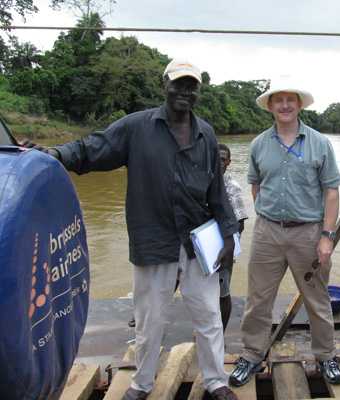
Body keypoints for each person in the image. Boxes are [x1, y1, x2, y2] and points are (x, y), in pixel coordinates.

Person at [22, 60, 240, 400]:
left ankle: (215, 381)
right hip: (155, 241)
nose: (184, 91)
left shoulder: (206, 133)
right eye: (178, 84)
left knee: (210, 316)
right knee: (150, 321)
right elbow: (92, 148)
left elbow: (217, 192)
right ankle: (142, 383)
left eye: (191, 86)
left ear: (199, 91)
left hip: (198, 243)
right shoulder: (138, 127)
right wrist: (55, 155)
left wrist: (228, 236)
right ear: (164, 85)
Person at [229, 82, 340, 386]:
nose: (283, 105)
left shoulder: (320, 143)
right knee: (258, 298)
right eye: (277, 100)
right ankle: (252, 354)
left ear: (299, 105)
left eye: (289, 100)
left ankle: (326, 356)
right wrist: (270, 220)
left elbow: (331, 192)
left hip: (308, 233)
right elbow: (256, 187)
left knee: (317, 298)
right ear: (270, 106)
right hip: (267, 232)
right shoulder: (258, 145)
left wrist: (326, 236)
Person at [218, 143, 249, 331]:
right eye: (216, 158)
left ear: (229, 162)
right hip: (201, 247)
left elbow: (240, 224)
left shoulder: (232, 187)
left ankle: (220, 334)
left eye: (223, 159)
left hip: (224, 246)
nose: (219, 162)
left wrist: (229, 249)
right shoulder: (202, 182)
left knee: (223, 291)